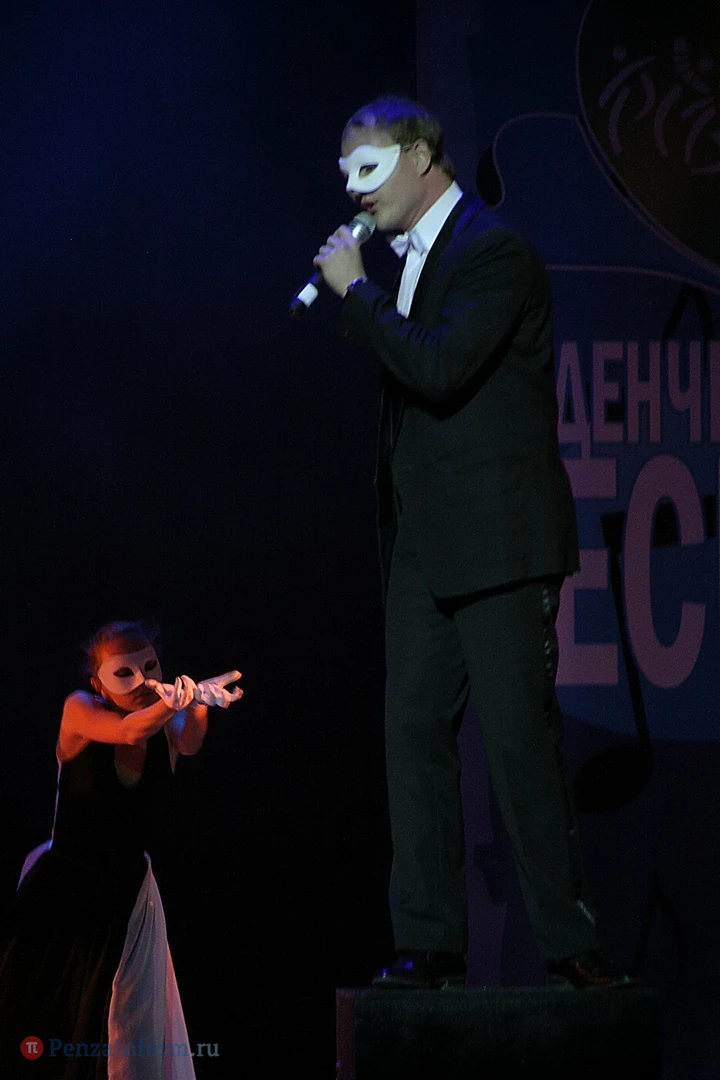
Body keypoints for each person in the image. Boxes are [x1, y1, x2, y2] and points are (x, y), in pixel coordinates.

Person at [313, 95, 634, 990]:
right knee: (412, 737)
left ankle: (570, 947)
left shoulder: (494, 250)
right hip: (424, 545)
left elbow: (442, 366)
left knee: (520, 746)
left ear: (421, 156)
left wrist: (358, 294)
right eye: (346, 175)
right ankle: (430, 944)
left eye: (370, 168)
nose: (355, 190)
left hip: (498, 541)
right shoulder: (413, 257)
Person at [0, 620, 243, 1077]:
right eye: (124, 673)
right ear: (98, 683)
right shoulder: (80, 708)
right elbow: (130, 731)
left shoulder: (166, 721)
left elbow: (189, 742)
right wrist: (177, 702)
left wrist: (199, 705)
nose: (144, 681)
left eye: (150, 667)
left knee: (127, 1027)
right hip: (64, 893)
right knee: (47, 1017)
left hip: (127, 896)